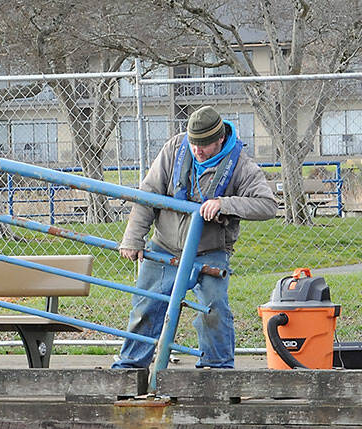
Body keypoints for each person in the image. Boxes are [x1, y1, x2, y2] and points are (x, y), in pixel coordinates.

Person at [112, 105, 275, 369]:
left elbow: (268, 204)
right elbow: (148, 193)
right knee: (146, 306)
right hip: (165, 246)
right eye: (193, 143)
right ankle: (131, 368)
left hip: (209, 251)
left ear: (220, 138)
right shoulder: (175, 149)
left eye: (205, 145)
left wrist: (225, 204)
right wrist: (134, 238)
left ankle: (217, 369)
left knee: (213, 310)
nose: (197, 151)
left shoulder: (240, 164)